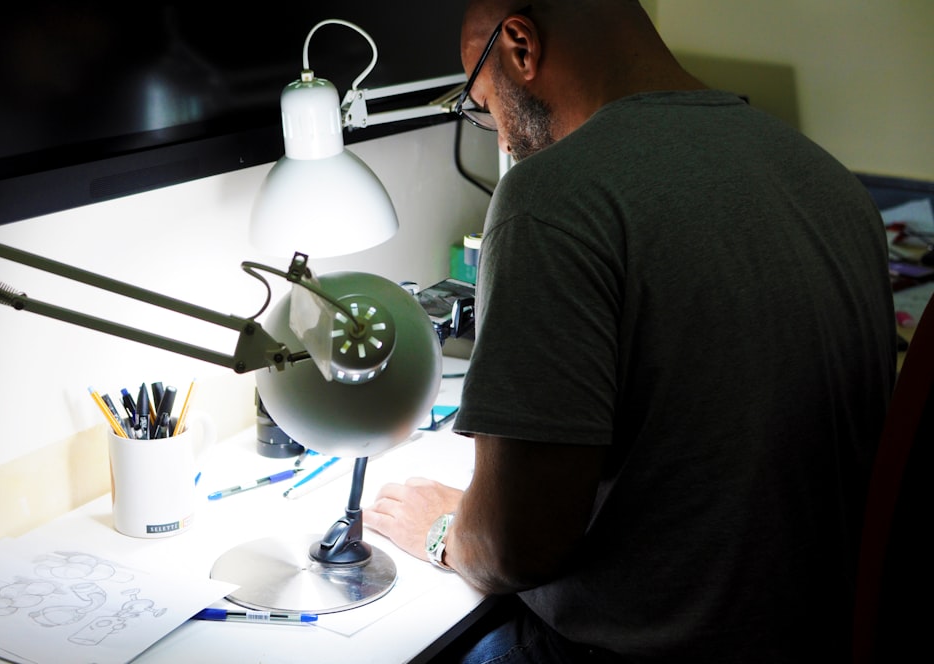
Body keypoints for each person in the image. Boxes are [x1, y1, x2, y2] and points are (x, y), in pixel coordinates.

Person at [363, 1, 897, 661]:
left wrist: (443, 529)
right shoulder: (829, 181)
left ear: (521, 47)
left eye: (482, 103)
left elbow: (513, 547)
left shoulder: (552, 198)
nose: (500, 138)